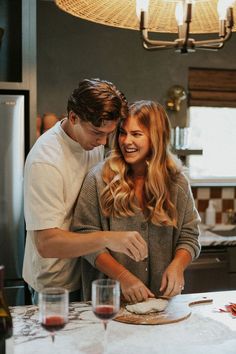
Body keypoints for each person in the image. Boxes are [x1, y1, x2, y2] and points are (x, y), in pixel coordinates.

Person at [23, 79, 148, 304]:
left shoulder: (91, 143)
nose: (103, 142)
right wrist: (109, 238)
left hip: (88, 274)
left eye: (109, 134)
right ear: (73, 117)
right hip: (56, 287)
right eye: (97, 133)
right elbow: (46, 243)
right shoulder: (45, 161)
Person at [73, 100, 201, 303]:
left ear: (156, 138)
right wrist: (123, 277)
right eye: (123, 133)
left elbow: (189, 235)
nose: (126, 141)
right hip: (109, 305)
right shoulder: (98, 179)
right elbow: (85, 238)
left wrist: (178, 265)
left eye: (136, 134)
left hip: (162, 304)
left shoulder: (177, 182)